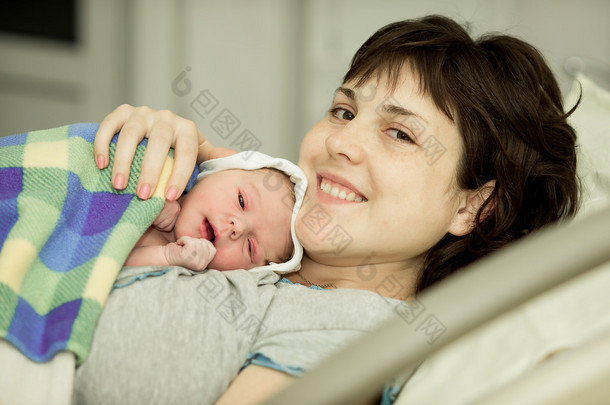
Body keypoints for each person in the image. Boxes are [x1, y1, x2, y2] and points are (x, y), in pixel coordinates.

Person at [75, 15, 579, 405]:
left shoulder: (356, 325)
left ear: (475, 205)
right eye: (343, 110)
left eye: (400, 133)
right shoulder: (245, 224)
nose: (341, 141)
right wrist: (151, 159)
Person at [125, 153, 301, 272]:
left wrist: (166, 257)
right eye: (241, 201)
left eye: (250, 246)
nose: (238, 227)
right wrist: (145, 201)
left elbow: (106, 262)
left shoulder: (182, 274)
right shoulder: (160, 165)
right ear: (215, 172)